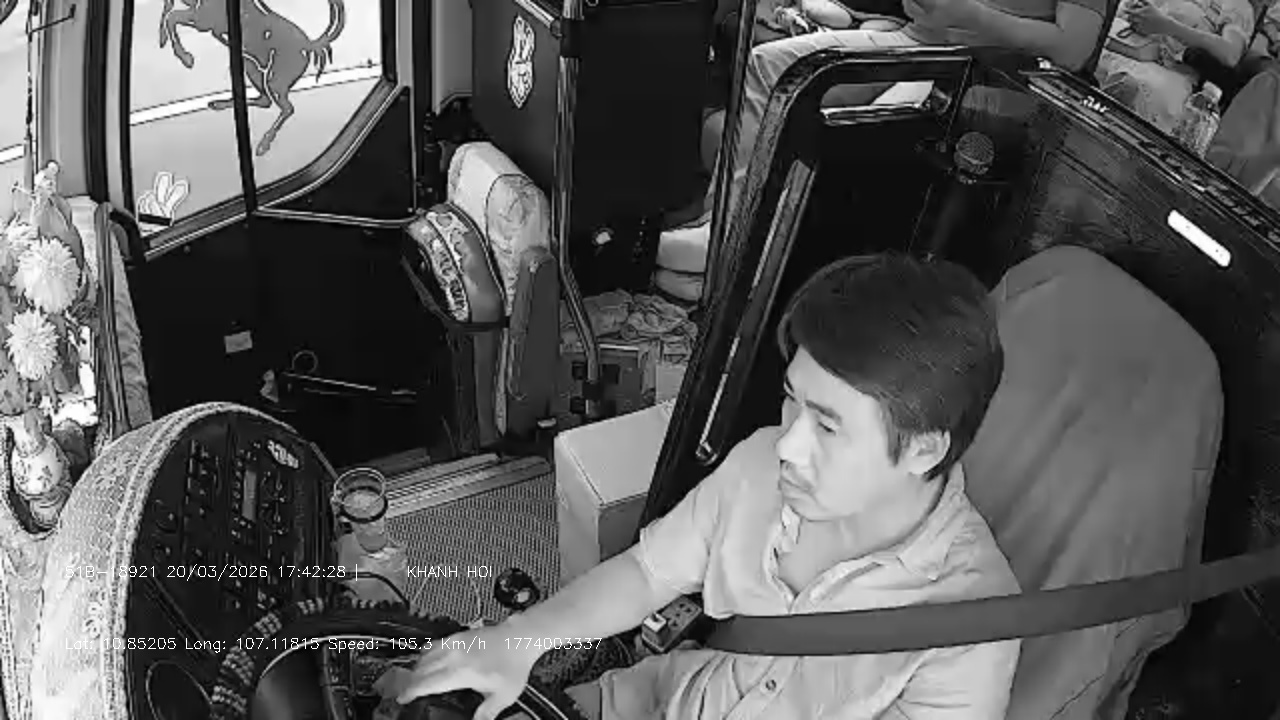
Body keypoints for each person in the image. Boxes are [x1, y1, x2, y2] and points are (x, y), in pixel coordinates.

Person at [378, 253, 1022, 720]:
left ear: (923, 449)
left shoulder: (970, 629)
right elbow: (646, 574)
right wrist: (517, 641)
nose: (788, 444)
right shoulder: (763, 464)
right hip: (654, 701)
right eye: (792, 401)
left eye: (828, 426)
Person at [658, 0, 1107, 268]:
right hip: (918, 41)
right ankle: (727, 227)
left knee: (871, 129)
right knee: (771, 64)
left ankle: (767, 261)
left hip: (991, 71)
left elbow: (1073, 48)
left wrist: (974, 15)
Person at [1095, 0, 1254, 132]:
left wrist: (1168, 26)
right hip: (1113, 40)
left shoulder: (1236, 6)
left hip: (1166, 69)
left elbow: (1230, 54)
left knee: (1131, 88)